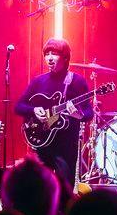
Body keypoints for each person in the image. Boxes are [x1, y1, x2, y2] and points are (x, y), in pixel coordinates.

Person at [15, 38, 93, 199]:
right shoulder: (38, 82)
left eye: (54, 54)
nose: (49, 58)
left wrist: (77, 115)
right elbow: (18, 107)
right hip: (42, 144)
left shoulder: (76, 81)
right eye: (47, 54)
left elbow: (88, 113)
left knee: (65, 190)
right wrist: (34, 110)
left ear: (65, 57)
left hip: (65, 147)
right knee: (41, 191)